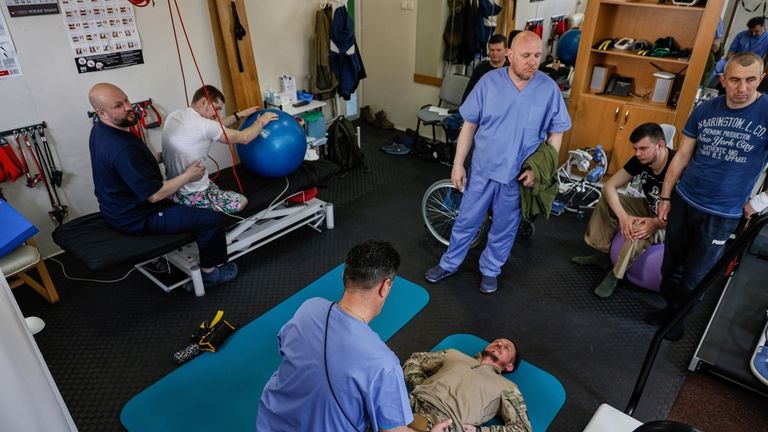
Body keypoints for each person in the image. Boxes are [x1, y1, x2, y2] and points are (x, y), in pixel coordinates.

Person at [425, 31, 572, 294]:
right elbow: (469, 126)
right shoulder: (488, 83)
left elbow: (556, 133)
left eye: (537, 55)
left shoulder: (548, 88)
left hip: (517, 176)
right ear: (510, 55)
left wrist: (540, 169)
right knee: (466, 220)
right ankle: (449, 263)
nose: (532, 62)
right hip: (483, 169)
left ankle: (490, 270)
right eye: (526, 55)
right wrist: (458, 164)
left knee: (505, 228)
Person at [257, 240, 452, 432]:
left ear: (344, 274)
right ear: (385, 287)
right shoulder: (384, 364)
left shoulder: (309, 307)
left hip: (268, 422)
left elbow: (284, 347)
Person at [647, 52, 768, 341]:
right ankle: (669, 309)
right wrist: (665, 198)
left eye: (751, 80)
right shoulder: (705, 110)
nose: (743, 88)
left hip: (722, 213)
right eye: (736, 80)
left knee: (695, 275)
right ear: (723, 80)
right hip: (685, 200)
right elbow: (682, 157)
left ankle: (678, 320)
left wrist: (759, 202)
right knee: (670, 266)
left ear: (761, 79)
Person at [88, 83, 237, 287]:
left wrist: (161, 156)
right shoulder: (121, 148)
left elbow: (132, 165)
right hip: (138, 216)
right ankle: (211, 273)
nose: (127, 107)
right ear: (102, 113)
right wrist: (188, 175)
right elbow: (155, 195)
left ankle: (164, 258)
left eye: (126, 100)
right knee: (210, 221)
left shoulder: (100, 130)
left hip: (116, 207)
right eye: (118, 106)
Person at [571, 123, 675, 298]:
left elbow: (685, 213)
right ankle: (604, 253)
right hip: (649, 207)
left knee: (638, 230)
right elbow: (610, 186)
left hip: (671, 221)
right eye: (635, 149)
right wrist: (623, 217)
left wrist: (655, 223)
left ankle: (615, 275)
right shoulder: (641, 159)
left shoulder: (678, 165)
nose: (637, 153)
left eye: (643, 148)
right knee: (608, 197)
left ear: (660, 146)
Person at [161, 85, 277, 214]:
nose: (217, 115)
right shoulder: (205, 125)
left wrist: (239, 115)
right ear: (204, 102)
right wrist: (261, 122)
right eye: (216, 109)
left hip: (173, 187)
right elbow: (245, 137)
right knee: (241, 201)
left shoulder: (175, 115)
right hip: (192, 193)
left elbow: (214, 126)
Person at [404, 338, 532, 432]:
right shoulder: (454, 354)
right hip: (410, 400)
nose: (499, 344)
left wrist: (479, 431)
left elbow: (522, 429)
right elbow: (416, 360)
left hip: (443, 420)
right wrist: (418, 384)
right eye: (497, 341)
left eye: (506, 347)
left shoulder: (507, 387)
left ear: (510, 366)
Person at [710, 17, 768, 85]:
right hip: (735, 61)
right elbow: (730, 54)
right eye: (751, 31)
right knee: (716, 66)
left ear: (763, 27)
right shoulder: (741, 35)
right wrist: (735, 64)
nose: (753, 34)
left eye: (757, 31)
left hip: (753, 65)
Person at [461, 34, 510, 103]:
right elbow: (469, 94)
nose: (495, 53)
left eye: (498, 50)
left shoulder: (511, 70)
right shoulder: (480, 69)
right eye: (492, 50)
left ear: (506, 51)